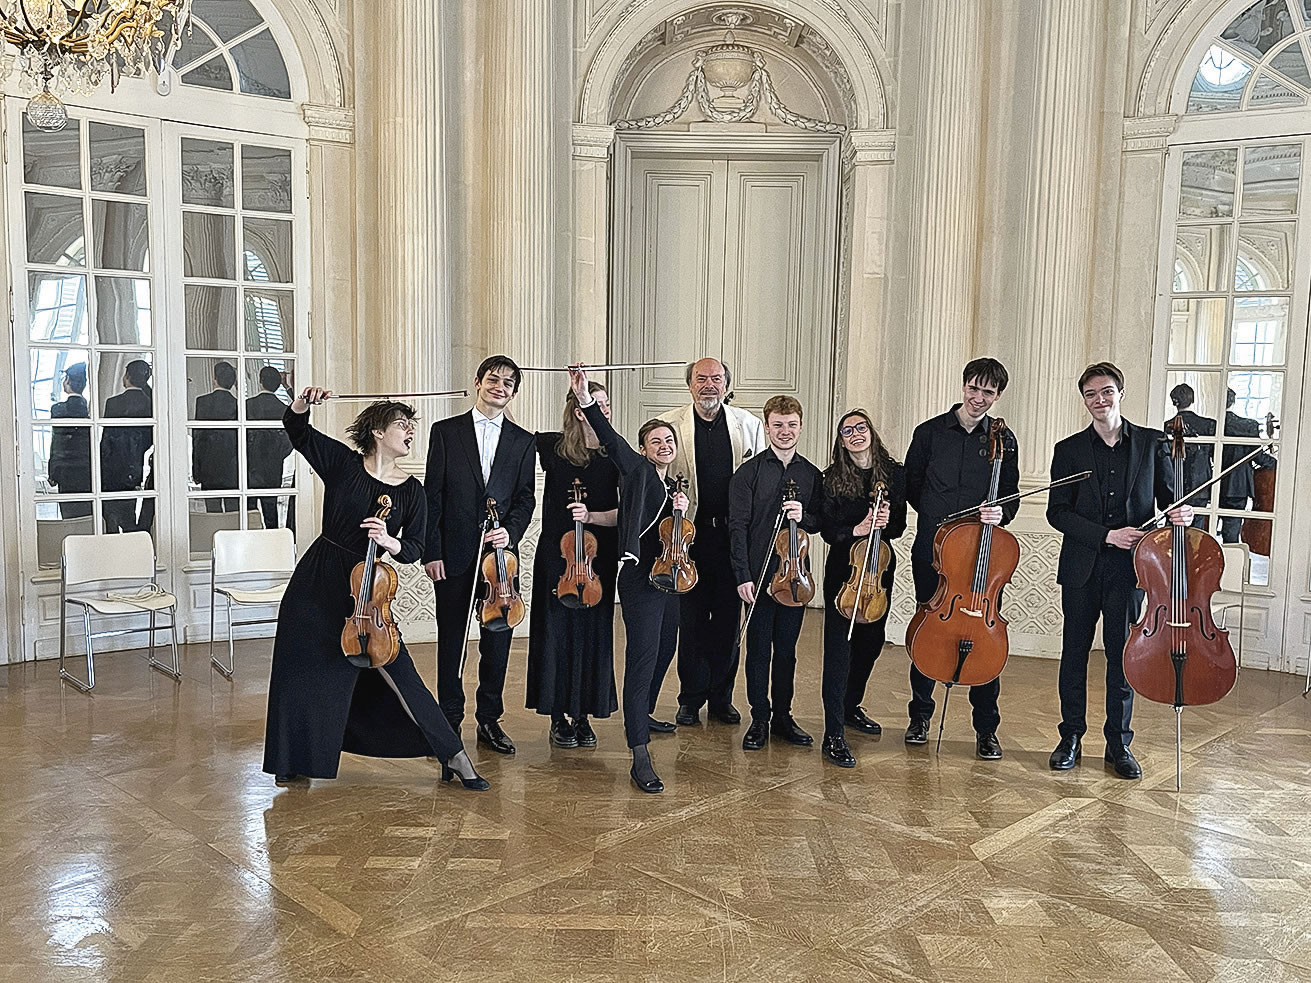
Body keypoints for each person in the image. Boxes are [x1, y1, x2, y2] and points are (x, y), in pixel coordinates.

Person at [262, 387, 487, 790]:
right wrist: (302, 402)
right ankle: (291, 759)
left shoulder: (412, 491)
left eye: (412, 426)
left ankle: (453, 754)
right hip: (316, 581)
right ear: (378, 432)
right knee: (300, 670)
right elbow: (297, 430)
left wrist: (389, 541)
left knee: (403, 674)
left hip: (368, 590)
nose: (410, 431)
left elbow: (415, 548)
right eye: (402, 424)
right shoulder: (343, 465)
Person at [1047, 362, 1190, 780]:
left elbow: (1169, 500)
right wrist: (1107, 535)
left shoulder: (1150, 443)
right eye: (1091, 394)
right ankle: (1070, 736)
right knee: (1073, 654)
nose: (1099, 400)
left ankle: (1118, 744)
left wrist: (1180, 513)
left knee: (1122, 658)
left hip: (1132, 572)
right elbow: (1058, 513)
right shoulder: (1068, 450)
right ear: (1085, 399)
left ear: (1120, 393)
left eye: (1106, 392)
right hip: (1081, 568)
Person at [571, 367, 685, 793]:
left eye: (668, 441)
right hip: (641, 580)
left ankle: (646, 711)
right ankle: (639, 753)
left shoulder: (670, 484)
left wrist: (680, 508)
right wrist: (585, 398)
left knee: (666, 646)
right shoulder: (636, 469)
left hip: (671, 579)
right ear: (643, 448)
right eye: (655, 440)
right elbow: (611, 437)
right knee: (640, 659)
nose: (663, 445)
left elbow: (655, 527)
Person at [903, 358, 1019, 760]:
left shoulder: (1006, 441)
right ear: (963, 385)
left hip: (983, 562)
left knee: (984, 635)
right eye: (974, 388)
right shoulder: (930, 433)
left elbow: (1011, 497)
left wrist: (999, 513)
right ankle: (919, 716)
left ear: (997, 395)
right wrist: (943, 528)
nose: (979, 398)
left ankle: (986, 729)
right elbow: (912, 488)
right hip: (935, 554)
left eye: (988, 392)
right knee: (929, 630)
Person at [423, 356, 536, 755]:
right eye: (493, 379)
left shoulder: (525, 441)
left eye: (508, 382)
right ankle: (448, 722)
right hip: (452, 555)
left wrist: (513, 531)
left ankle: (489, 720)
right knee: (451, 641)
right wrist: (431, 552)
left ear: (514, 392)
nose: (500, 386)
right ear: (477, 382)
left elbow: (526, 498)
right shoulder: (445, 432)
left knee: (497, 643)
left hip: (500, 561)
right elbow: (431, 496)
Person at [660, 358, 766, 727]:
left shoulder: (749, 426)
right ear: (689, 385)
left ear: (727, 385)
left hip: (732, 540)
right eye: (701, 379)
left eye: (716, 379)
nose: (709, 385)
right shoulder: (670, 424)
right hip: (686, 539)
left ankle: (721, 698)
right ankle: (689, 698)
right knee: (689, 624)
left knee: (727, 622)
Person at [525, 380, 621, 748]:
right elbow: (512, 433)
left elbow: (626, 512)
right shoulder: (552, 447)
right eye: (599, 404)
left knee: (593, 634)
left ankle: (582, 715)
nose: (606, 410)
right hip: (559, 558)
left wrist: (593, 515)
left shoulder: (613, 452)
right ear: (580, 410)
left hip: (597, 560)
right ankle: (557, 716)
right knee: (556, 634)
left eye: (607, 403)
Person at [731, 395, 824, 753]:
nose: (785, 432)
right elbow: (737, 527)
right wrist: (742, 575)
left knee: (787, 651)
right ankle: (759, 718)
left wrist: (804, 515)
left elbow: (819, 522)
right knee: (758, 651)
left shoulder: (811, 474)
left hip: (794, 580)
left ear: (800, 426)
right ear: (767, 427)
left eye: (792, 425)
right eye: (778, 425)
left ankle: (783, 716)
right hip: (757, 576)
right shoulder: (749, 473)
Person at [818, 410, 907, 768]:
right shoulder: (832, 478)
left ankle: (851, 705)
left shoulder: (895, 474)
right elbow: (828, 530)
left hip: (879, 568)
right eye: (847, 431)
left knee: (870, 645)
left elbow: (898, 526)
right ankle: (833, 733)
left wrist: (886, 522)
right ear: (841, 441)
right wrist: (859, 527)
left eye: (861, 428)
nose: (855, 434)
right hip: (845, 569)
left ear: (871, 431)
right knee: (839, 650)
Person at [100, 358, 154, 534]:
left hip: (111, 467)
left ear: (128, 376)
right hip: (135, 466)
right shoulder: (150, 404)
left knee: (110, 517)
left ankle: (114, 552)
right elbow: (149, 439)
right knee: (128, 514)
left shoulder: (113, 403)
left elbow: (107, 438)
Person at [1220, 388, 1278, 543]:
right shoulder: (1248, 425)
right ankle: (1230, 563)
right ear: (1233, 402)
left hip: (1212, 483)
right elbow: (1258, 457)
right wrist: (1277, 463)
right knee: (1232, 530)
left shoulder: (1213, 424)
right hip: (1238, 485)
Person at [247, 365, 295, 531]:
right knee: (271, 514)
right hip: (272, 468)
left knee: (249, 515)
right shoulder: (283, 409)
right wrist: (277, 455)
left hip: (249, 468)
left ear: (260, 381)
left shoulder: (248, 405)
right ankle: (273, 547)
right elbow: (291, 441)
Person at [1165, 383, 1214, 529]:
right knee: (1197, 528)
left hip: (1175, 482)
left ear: (1174, 402)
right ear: (1192, 400)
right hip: (1201, 483)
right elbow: (1213, 453)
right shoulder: (1209, 425)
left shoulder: (1167, 425)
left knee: (1173, 521)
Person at [193, 360, 239, 512]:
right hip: (233, 467)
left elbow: (198, 438)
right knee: (234, 513)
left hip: (208, 466)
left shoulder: (203, 402)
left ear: (215, 379)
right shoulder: (238, 404)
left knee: (213, 512)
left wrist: (196, 469)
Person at [48, 361, 92, 518]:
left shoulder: (58, 409)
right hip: (87, 470)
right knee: (87, 518)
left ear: (68, 381)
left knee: (68, 516)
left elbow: (57, 443)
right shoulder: (89, 410)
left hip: (64, 470)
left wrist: (52, 471)